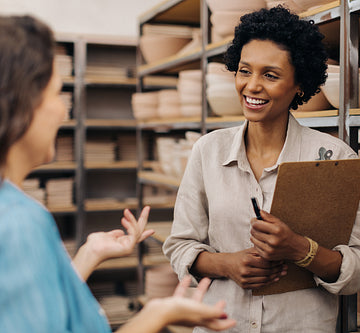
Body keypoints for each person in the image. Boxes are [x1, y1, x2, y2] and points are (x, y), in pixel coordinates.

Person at [0, 15, 236, 333]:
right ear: (20, 103)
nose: (63, 109)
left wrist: (88, 255)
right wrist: (156, 316)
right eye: (56, 93)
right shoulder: (18, 222)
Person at [164, 6, 360, 333]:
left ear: (299, 85)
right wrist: (227, 264)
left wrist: (301, 250)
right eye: (244, 71)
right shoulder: (208, 151)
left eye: (270, 75)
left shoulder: (335, 158)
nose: (252, 86)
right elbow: (179, 246)